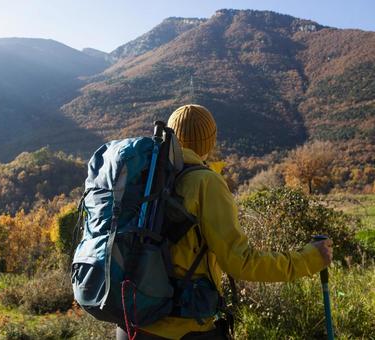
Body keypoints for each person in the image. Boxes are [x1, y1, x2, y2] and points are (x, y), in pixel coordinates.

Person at [116, 104, 333, 340]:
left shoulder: (145, 176)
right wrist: (311, 259)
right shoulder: (206, 183)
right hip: (181, 329)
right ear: (209, 142)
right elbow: (242, 263)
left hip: (130, 323)